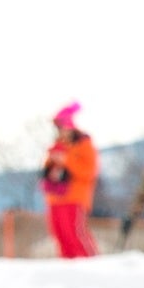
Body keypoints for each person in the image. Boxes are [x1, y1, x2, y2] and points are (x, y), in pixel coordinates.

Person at [38, 107, 100, 260]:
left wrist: (67, 160)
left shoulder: (84, 145)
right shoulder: (56, 147)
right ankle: (68, 269)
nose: (61, 131)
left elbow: (89, 172)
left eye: (63, 127)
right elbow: (47, 171)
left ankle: (92, 264)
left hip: (75, 197)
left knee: (75, 234)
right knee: (60, 235)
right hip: (55, 197)